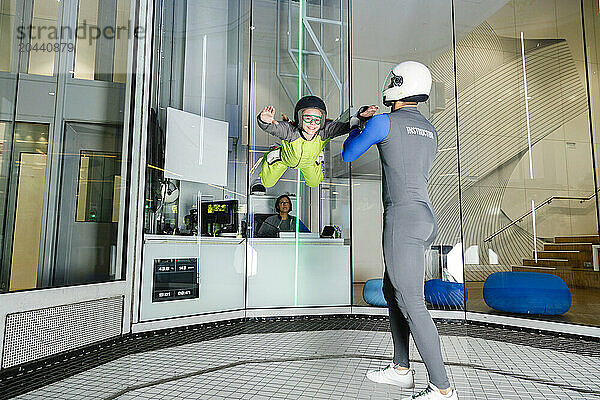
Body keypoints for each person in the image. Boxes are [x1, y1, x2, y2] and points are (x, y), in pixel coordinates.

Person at [342, 61, 459, 400]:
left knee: (411, 301)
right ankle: (401, 369)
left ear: (397, 84)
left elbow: (350, 154)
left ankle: (442, 387)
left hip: (401, 220)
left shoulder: (384, 121)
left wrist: (359, 125)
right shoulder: (430, 130)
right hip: (424, 215)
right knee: (394, 292)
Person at [256, 95, 377, 188]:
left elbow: (346, 127)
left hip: (309, 161)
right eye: (308, 119)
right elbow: (274, 128)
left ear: (322, 121)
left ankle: (317, 157)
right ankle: (275, 152)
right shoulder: (290, 131)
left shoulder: (324, 132)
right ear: (299, 118)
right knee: (267, 183)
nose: (313, 124)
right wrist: (264, 121)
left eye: (317, 120)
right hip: (285, 159)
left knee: (314, 183)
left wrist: (361, 117)